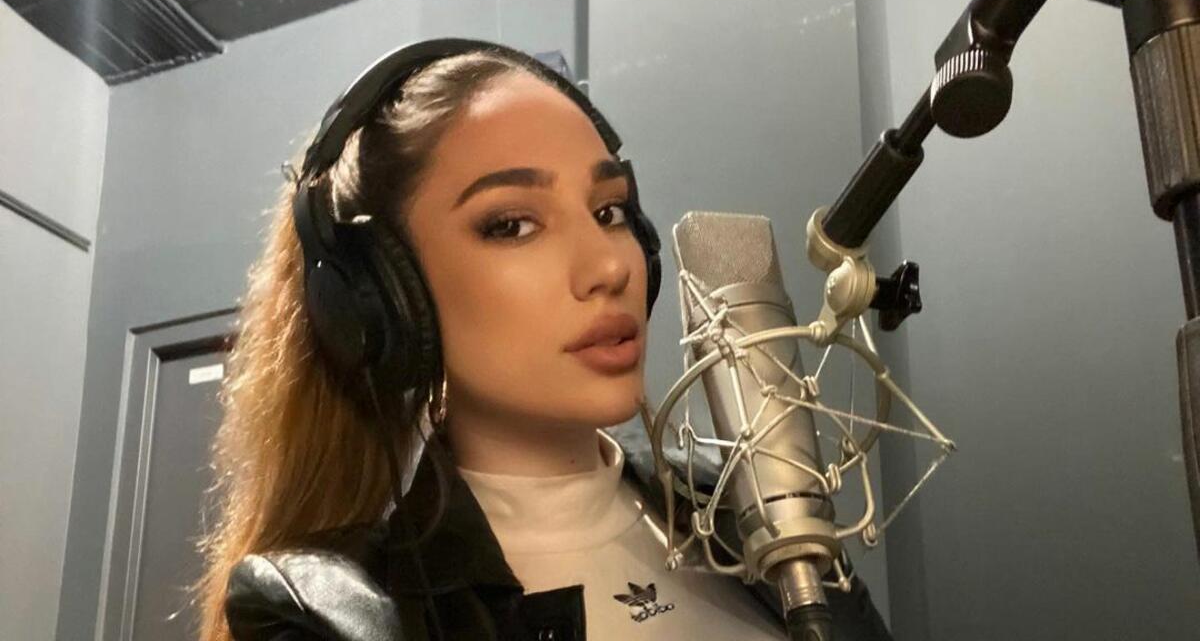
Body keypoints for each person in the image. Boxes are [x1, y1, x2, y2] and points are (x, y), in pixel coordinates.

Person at [193, 40, 892, 641]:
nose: (609, 267)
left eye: (609, 211)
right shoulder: (333, 615)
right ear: (385, 299)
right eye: (512, 225)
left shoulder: (751, 518)